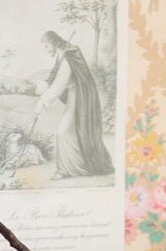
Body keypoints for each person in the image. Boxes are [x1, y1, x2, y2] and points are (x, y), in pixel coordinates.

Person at [33, 30, 114, 181]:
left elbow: (60, 83)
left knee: (63, 131)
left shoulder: (68, 54)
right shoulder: (62, 53)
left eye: (46, 46)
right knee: (71, 132)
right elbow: (54, 76)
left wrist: (43, 102)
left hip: (80, 97)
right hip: (74, 95)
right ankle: (76, 167)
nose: (46, 49)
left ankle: (67, 169)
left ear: (52, 42)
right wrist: (40, 88)